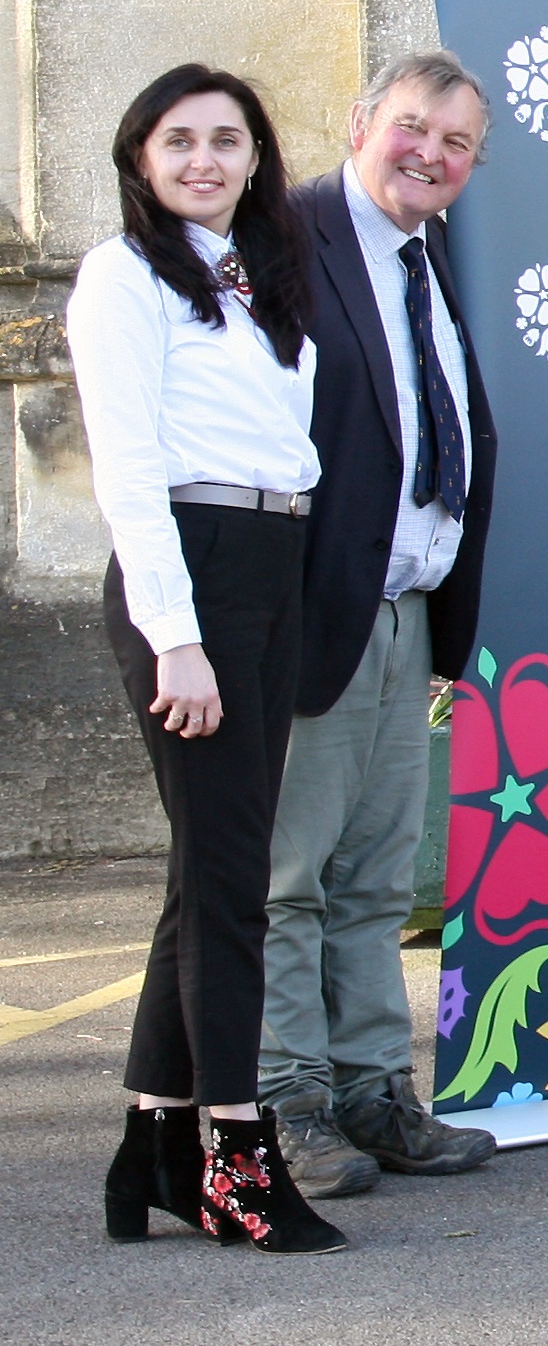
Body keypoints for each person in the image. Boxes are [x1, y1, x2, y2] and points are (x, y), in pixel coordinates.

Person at [78, 66, 341, 1251]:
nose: (204, 160)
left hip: (271, 564)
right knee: (235, 879)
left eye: (227, 140)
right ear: (141, 156)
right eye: (179, 141)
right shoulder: (123, 277)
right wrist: (174, 639)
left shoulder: (257, 274)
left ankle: (152, 1147)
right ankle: (236, 1154)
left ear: (255, 156)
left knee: (208, 868)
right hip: (190, 573)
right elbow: (130, 469)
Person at [262, 52, 502, 1197]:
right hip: (314, 611)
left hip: (406, 608)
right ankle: (283, 1101)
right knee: (287, 873)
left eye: (457, 145)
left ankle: (371, 1089)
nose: (431, 155)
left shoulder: (426, 251)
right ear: (359, 122)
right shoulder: (289, 237)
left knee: (372, 878)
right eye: (413, 129)